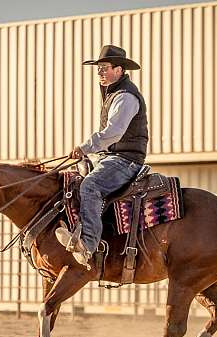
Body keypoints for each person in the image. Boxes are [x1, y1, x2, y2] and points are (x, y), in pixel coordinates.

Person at [55, 45, 148, 267]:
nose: (100, 73)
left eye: (104, 68)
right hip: (110, 157)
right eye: (98, 69)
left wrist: (85, 147)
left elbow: (114, 132)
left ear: (119, 69)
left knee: (90, 186)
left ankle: (88, 244)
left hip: (125, 160)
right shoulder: (115, 93)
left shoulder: (126, 96)